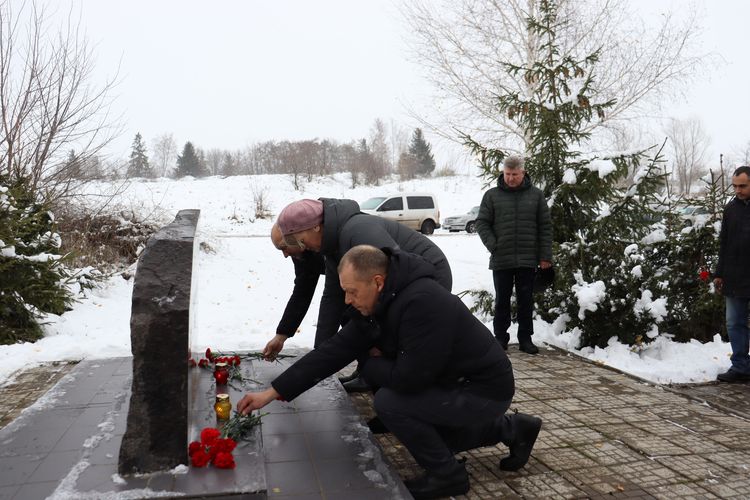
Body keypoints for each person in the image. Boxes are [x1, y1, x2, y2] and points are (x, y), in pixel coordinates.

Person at [238, 245, 542, 500]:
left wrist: (370, 363)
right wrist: (272, 392)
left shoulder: (422, 301)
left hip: (483, 390)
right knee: (425, 427)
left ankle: (448, 476)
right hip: (456, 383)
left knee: (391, 403)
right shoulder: (380, 302)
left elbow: (409, 379)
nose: (347, 300)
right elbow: (332, 352)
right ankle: (514, 429)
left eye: (351, 292)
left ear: (378, 282)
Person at [275, 197, 453, 391]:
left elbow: (395, 276)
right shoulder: (333, 246)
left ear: (315, 227)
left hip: (428, 276)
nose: (302, 247)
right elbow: (332, 298)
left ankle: (395, 391)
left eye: (300, 241)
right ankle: (373, 376)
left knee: (386, 333)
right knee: (352, 315)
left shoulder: (358, 230)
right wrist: (320, 357)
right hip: (395, 282)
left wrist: (379, 337)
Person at [475, 155, 552, 354]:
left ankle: (526, 339)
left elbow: (545, 227)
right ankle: (500, 338)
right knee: (502, 300)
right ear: (503, 173)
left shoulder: (536, 195)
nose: (510, 178)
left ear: (523, 173)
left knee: (526, 300)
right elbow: (482, 223)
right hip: (502, 258)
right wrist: (494, 245)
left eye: (514, 174)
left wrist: (545, 257)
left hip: (528, 259)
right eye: (507, 174)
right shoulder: (492, 195)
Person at [261, 224, 326, 360]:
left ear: (295, 236)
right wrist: (281, 336)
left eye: (284, 247)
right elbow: (302, 293)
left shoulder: (325, 243)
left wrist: (320, 358)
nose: (285, 255)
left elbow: (332, 299)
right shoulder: (300, 254)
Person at [714, 166, 750, 383]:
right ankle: (740, 366)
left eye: (743, 186)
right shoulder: (731, 209)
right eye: (735, 186)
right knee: (734, 323)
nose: (738, 190)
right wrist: (719, 273)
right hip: (735, 277)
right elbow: (724, 243)